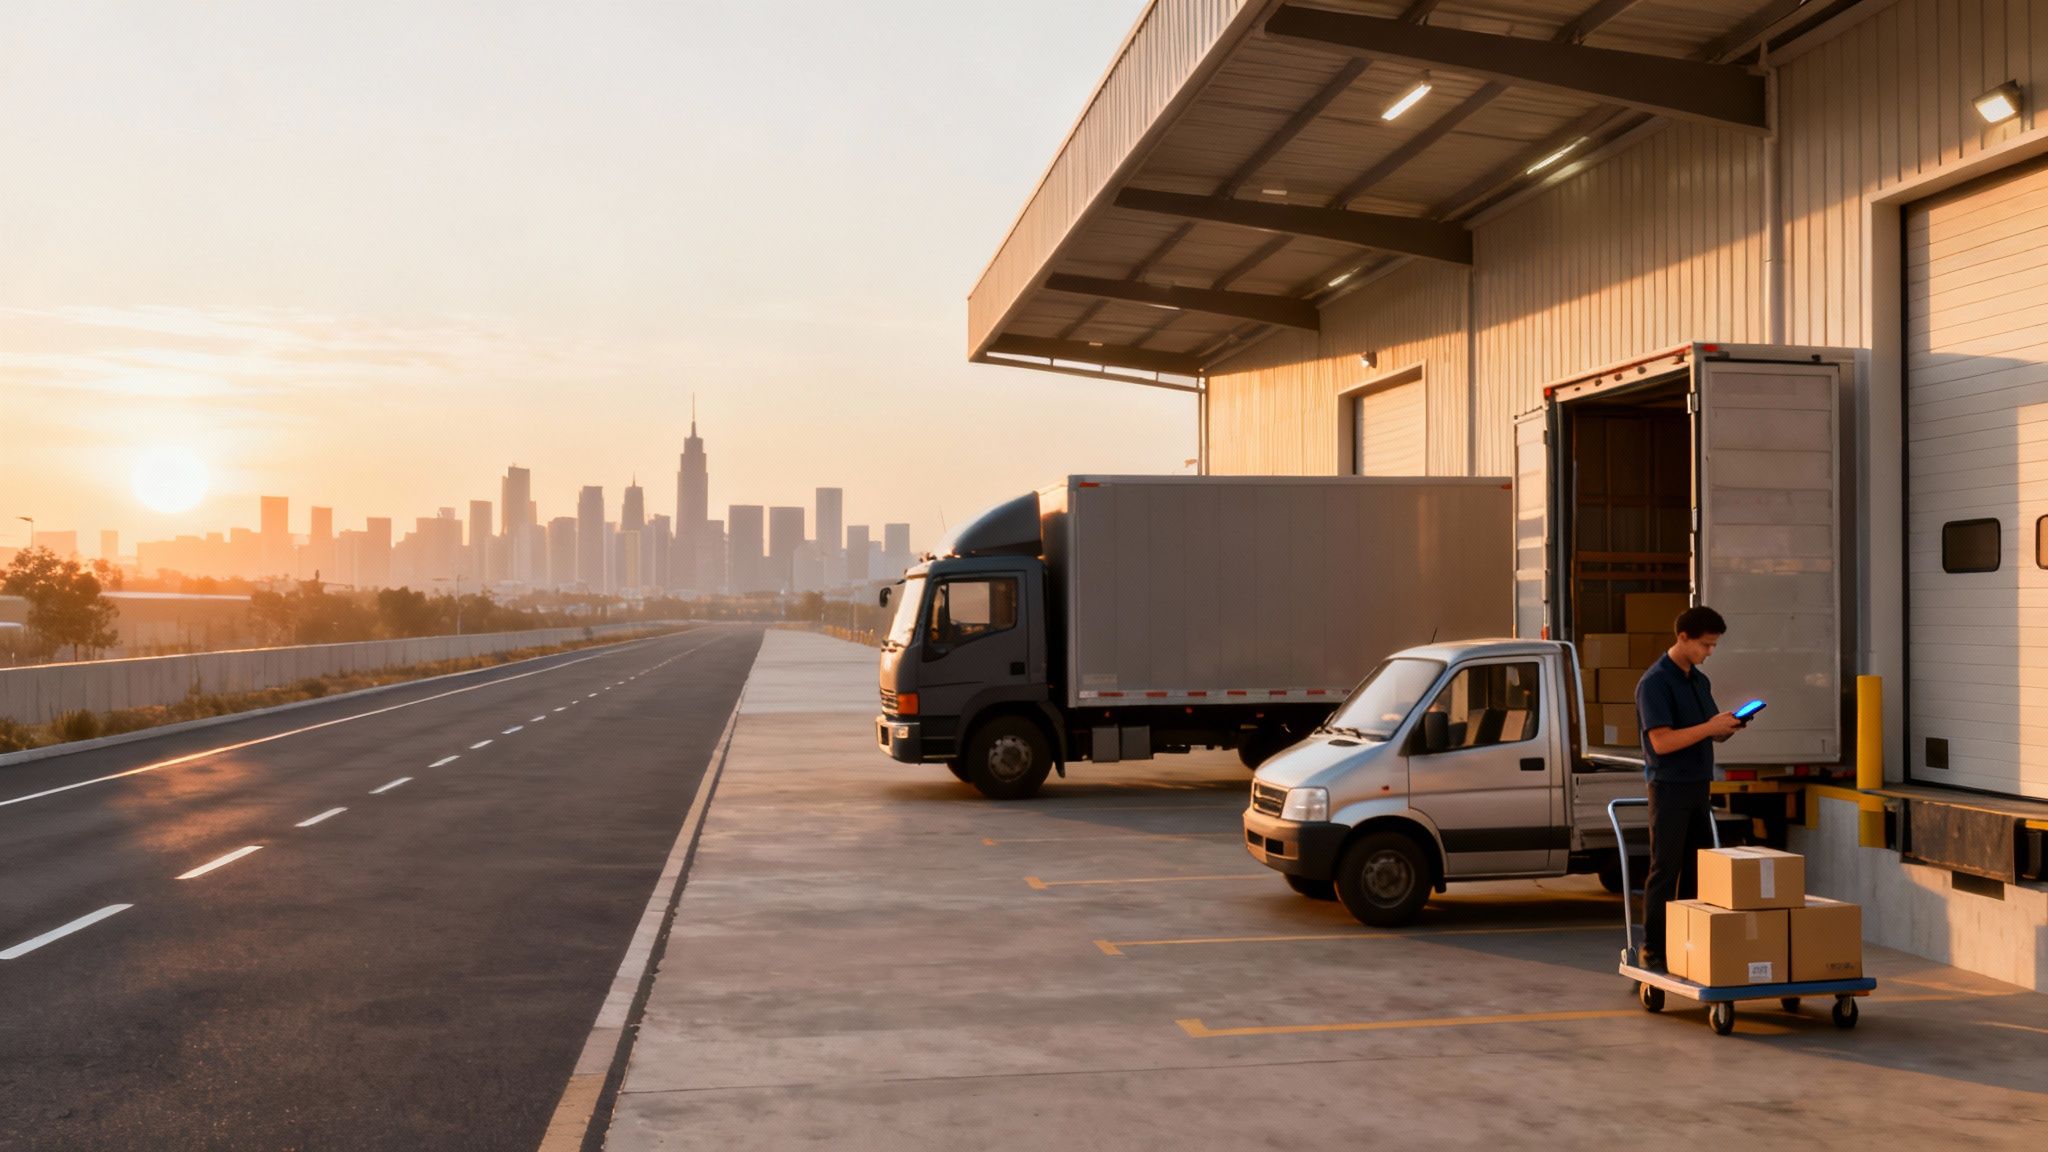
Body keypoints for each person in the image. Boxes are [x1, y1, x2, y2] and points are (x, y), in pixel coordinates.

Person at [1633, 605, 1745, 970]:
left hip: (1698, 785)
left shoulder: (1698, 680)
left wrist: (1726, 726)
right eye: (1705, 645)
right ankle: (1654, 947)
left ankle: (1690, 941)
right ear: (1683, 638)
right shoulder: (1655, 683)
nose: (1709, 652)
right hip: (1669, 788)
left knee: (1700, 869)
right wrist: (1709, 729)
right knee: (1666, 868)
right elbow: (1661, 742)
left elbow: (1707, 729)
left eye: (1713, 646)